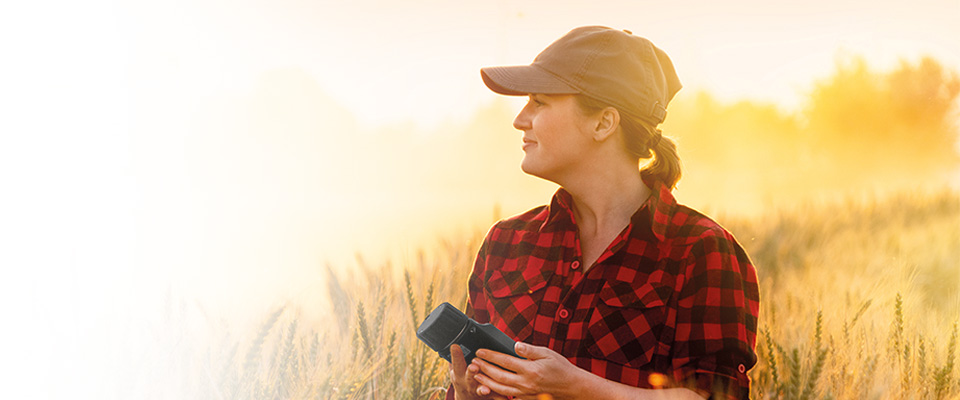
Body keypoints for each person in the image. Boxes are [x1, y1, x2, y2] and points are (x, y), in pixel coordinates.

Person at [445, 26, 760, 400]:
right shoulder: (505, 243)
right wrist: (467, 392)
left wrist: (576, 387)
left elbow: (718, 396)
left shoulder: (700, 252)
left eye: (540, 102)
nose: (521, 119)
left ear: (603, 123)